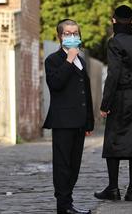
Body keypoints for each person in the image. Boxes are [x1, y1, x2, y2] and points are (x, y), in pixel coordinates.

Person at [94, 5, 132, 202]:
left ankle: (113, 188)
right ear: (131, 21)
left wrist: (105, 103)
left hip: (121, 97)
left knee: (114, 140)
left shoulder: (114, 43)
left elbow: (113, 74)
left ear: (114, 21)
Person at [43, 19, 94, 214]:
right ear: (60, 37)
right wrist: (69, 59)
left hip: (79, 122)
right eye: (68, 33)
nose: (72, 37)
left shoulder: (81, 60)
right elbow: (55, 84)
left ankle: (68, 202)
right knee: (63, 165)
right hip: (63, 121)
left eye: (75, 33)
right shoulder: (53, 60)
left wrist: (89, 121)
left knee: (74, 165)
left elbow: (85, 92)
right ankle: (63, 206)